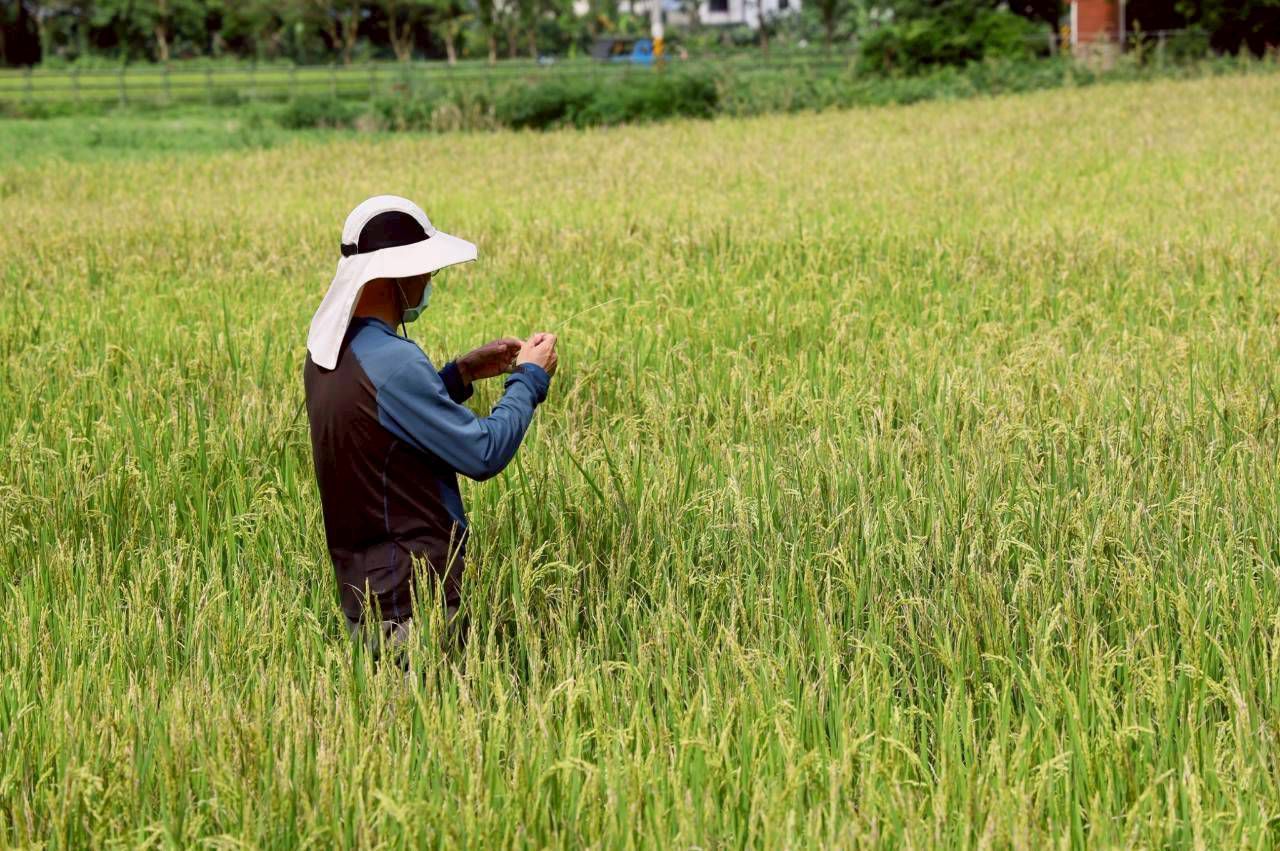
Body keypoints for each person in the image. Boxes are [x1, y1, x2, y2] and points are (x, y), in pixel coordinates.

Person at [303, 195, 558, 664]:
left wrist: (460, 374)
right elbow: (483, 452)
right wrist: (529, 379)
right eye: (426, 270)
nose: (427, 281)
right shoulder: (394, 362)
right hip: (411, 600)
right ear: (396, 276)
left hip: (366, 592)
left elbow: (384, 425)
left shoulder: (330, 352)